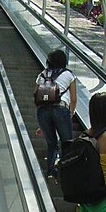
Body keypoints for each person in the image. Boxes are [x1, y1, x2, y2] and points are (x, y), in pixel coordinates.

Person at [34, 49, 77, 179]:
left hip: (42, 110)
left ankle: (51, 172)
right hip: (61, 109)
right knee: (67, 143)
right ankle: (66, 173)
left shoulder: (42, 74)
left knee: (51, 144)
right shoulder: (69, 75)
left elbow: (35, 94)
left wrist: (42, 122)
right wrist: (71, 113)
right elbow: (74, 98)